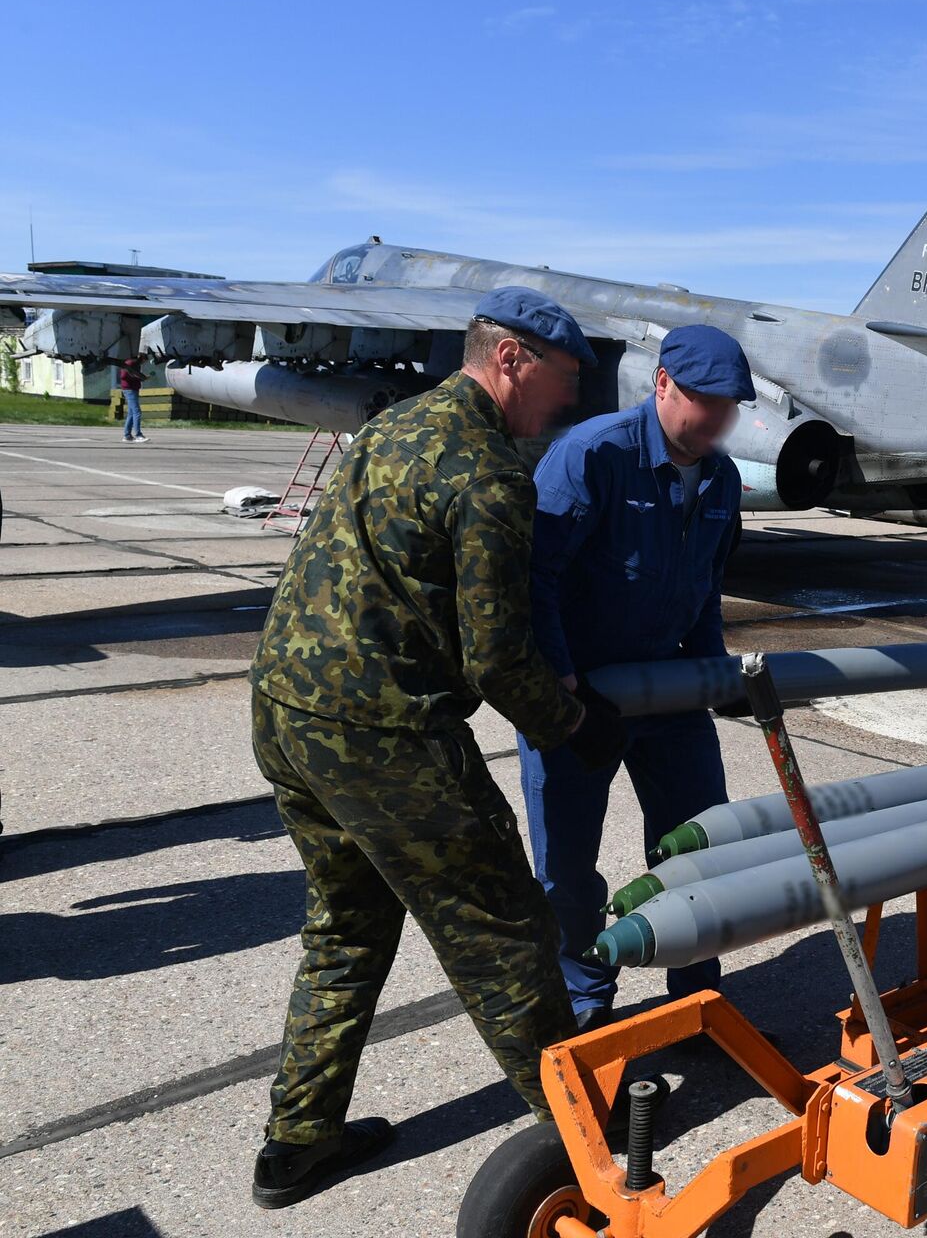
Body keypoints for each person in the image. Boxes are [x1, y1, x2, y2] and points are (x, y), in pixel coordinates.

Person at [246, 286, 628, 1209]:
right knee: (505, 930)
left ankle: (296, 1143)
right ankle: (583, 1154)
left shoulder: (395, 427)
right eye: (563, 380)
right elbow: (495, 656)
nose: (569, 403)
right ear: (511, 359)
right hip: (385, 734)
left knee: (347, 926)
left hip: (288, 711)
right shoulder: (489, 472)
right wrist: (574, 724)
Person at [518, 324, 751, 1031]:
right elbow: (537, 581)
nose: (715, 418)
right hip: (582, 698)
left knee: (700, 848)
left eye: (729, 405)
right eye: (702, 400)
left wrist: (714, 676)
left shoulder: (722, 477)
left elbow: (705, 590)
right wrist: (562, 685)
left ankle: (696, 1004)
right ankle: (588, 1005)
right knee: (566, 868)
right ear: (661, 384)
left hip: (673, 694)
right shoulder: (592, 457)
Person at [119, 356, 148, 442]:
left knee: (131, 413)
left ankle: (127, 435)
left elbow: (133, 376)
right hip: (129, 390)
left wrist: (141, 378)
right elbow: (123, 376)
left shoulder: (135, 365)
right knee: (137, 412)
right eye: (144, 360)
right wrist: (138, 377)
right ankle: (138, 435)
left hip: (133, 389)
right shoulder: (130, 363)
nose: (144, 362)